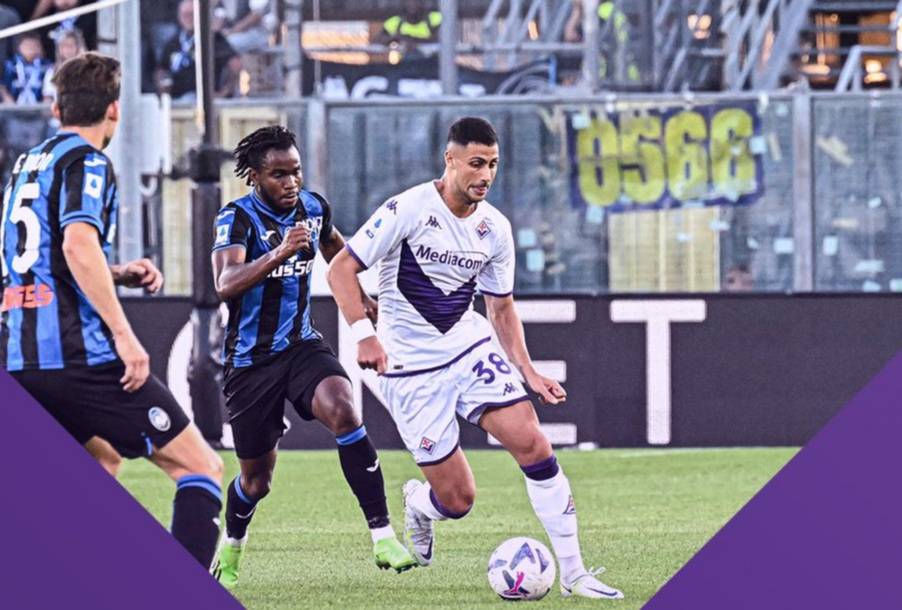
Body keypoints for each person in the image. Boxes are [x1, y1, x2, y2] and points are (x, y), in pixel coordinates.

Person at [327, 117, 624, 600]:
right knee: (458, 500)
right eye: (476, 164)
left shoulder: (495, 228)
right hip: (409, 370)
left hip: (468, 350)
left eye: (493, 165)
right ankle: (420, 504)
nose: (485, 175)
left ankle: (574, 573)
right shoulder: (407, 208)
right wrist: (364, 334)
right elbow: (341, 268)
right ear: (450, 160)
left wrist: (528, 371)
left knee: (534, 444)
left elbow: (500, 308)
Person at [0, 52, 224, 568]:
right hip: (77, 356)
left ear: (56, 110)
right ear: (115, 110)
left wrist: (117, 272)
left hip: (18, 353)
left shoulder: (25, 166)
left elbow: (32, 257)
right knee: (201, 468)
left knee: (100, 460)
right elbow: (77, 245)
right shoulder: (88, 162)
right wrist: (124, 335)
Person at [209, 125, 416, 588]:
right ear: (255, 177)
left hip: (301, 346)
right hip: (250, 363)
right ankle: (233, 540)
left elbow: (336, 250)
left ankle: (383, 536)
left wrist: (362, 296)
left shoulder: (313, 208)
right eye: (278, 175)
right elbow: (225, 283)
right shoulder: (236, 218)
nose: (291, 183)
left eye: (296, 172)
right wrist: (280, 252)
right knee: (256, 482)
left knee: (344, 410)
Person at [155, 0, 240, 101]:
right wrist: (163, 90)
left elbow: (235, 64)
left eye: (191, 15)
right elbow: (161, 69)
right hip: (176, 99)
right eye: (184, 15)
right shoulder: (173, 42)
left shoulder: (213, 39)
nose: (188, 19)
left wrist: (224, 93)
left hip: (202, 98)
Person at [1, 33, 52, 105]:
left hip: (40, 107)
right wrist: (8, 100)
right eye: (27, 46)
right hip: (13, 107)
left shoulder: (47, 65)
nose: (31, 49)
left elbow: (49, 89)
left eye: (35, 46)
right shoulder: (10, 65)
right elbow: (3, 86)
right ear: (20, 47)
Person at [43, 28, 86, 102]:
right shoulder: (52, 71)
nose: (67, 49)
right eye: (64, 45)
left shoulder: (87, 70)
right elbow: (48, 97)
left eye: (71, 45)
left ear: (78, 47)